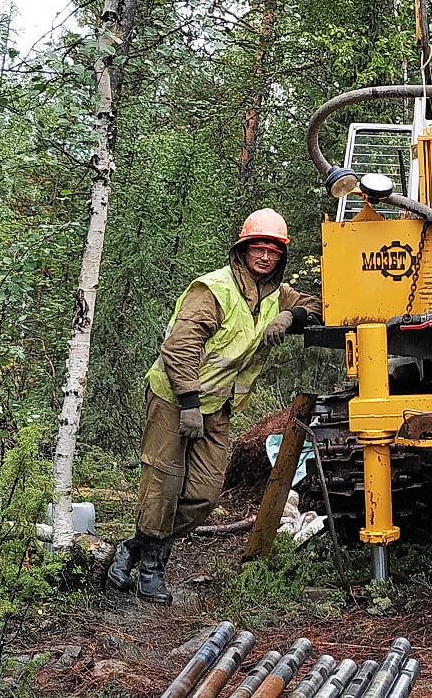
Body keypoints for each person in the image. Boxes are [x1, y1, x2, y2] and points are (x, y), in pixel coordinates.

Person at [107, 208, 322, 605]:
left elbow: (320, 305)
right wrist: (188, 402)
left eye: (273, 251)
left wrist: (293, 315)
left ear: (281, 257)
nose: (265, 256)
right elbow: (180, 347)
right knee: (163, 483)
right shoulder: (214, 290)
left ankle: (134, 547)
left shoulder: (278, 294)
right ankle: (152, 570)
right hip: (176, 398)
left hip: (218, 405)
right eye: (257, 248)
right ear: (242, 250)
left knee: (204, 495)